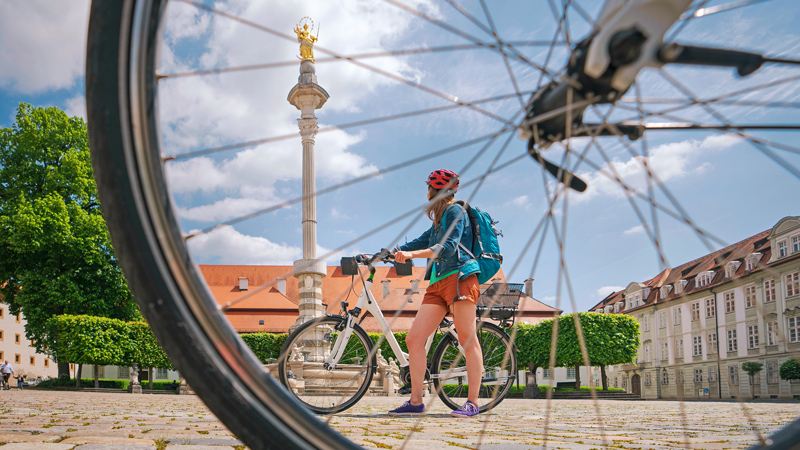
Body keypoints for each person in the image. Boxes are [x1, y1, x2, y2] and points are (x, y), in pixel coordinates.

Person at [388, 169, 483, 418]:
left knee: (467, 339)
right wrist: (388, 253)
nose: (427, 193)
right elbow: (419, 242)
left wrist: (410, 255)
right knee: (414, 339)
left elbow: (448, 247)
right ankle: (416, 401)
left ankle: (473, 402)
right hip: (438, 283)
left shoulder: (455, 211)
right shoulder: (438, 221)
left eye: (428, 189)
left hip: (460, 278)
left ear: (434, 191)